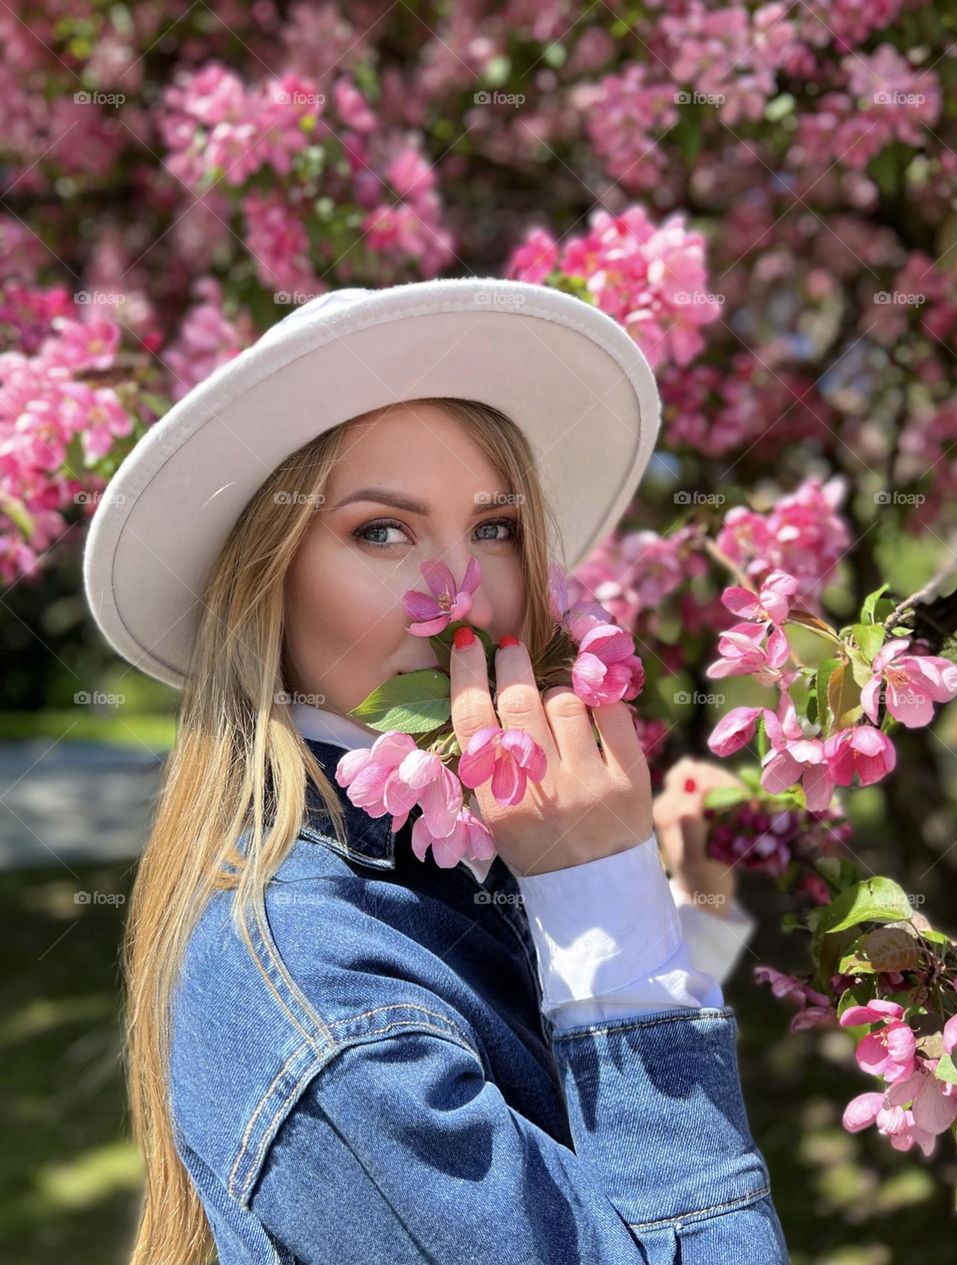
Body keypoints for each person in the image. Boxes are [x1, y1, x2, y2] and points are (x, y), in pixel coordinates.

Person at [83, 279, 790, 1264]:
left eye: (495, 528)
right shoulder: (327, 989)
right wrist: (601, 898)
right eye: (381, 530)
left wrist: (663, 910)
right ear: (266, 580)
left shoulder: (461, 850)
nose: (458, 602)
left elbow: (591, 1133)